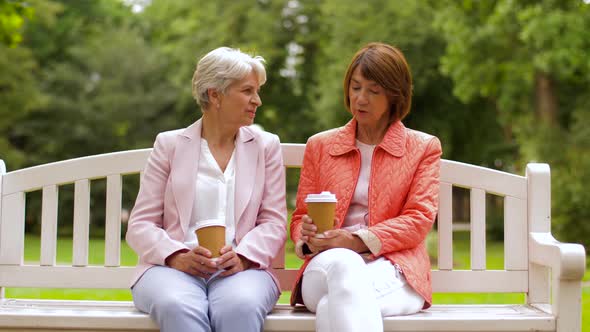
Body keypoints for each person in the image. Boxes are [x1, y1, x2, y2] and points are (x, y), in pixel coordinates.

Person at [126, 47, 287, 332]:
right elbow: (140, 225)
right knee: (177, 305)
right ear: (215, 94)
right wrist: (176, 255)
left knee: (240, 306)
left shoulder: (266, 146)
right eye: (247, 91)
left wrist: (244, 256)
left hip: (242, 269)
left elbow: (274, 222)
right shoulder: (169, 145)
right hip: (171, 269)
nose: (257, 101)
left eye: (257, 91)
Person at [289, 42, 442, 332]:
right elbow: (299, 218)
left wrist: (356, 240)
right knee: (345, 267)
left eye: (374, 91)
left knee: (333, 307)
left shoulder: (423, 148)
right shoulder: (320, 146)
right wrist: (305, 235)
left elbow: (418, 219)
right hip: (327, 265)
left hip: (397, 269)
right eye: (356, 87)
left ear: (395, 96)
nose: (361, 98)